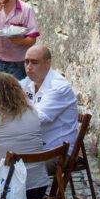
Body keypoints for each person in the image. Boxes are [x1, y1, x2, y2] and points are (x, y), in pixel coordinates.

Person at [20, 44, 79, 175]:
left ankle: (31, 195)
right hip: (35, 147)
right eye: (26, 62)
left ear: (48, 63)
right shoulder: (29, 82)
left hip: (57, 152)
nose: (29, 67)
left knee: (15, 169)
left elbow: (38, 118)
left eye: (34, 62)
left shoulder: (58, 87)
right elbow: (10, 94)